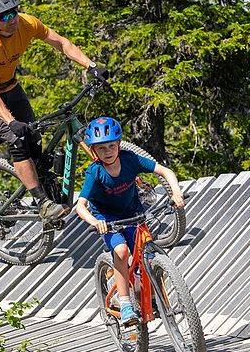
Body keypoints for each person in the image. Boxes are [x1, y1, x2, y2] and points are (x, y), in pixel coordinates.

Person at [0, 0, 108, 221]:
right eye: (4, 16)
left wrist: (91, 66)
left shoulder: (27, 24)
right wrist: (10, 122)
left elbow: (61, 43)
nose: (12, 19)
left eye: (14, 11)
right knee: (18, 139)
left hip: (9, 86)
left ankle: (40, 179)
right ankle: (42, 203)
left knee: (35, 137)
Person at [75, 117, 185, 325]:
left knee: (149, 257)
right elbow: (81, 205)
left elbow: (165, 171)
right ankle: (125, 304)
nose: (107, 151)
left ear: (118, 144)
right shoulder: (95, 172)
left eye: (111, 146)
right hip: (107, 218)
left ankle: (152, 298)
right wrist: (94, 222)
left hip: (133, 213)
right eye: (101, 148)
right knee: (122, 251)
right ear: (94, 151)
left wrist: (176, 192)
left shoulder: (130, 160)